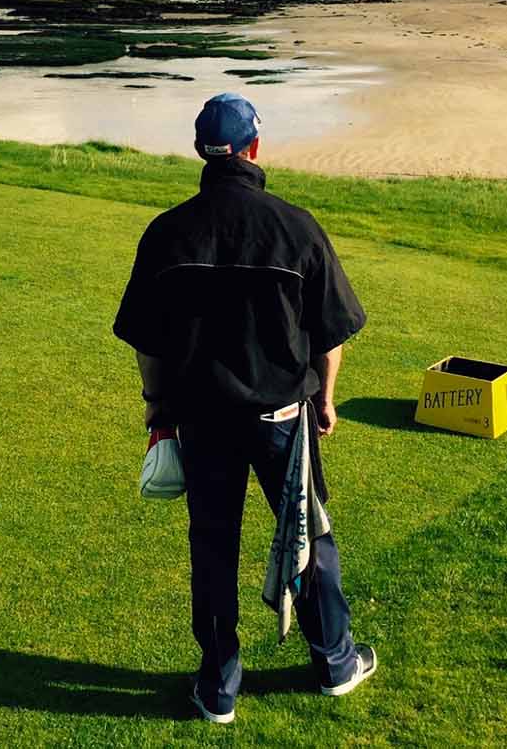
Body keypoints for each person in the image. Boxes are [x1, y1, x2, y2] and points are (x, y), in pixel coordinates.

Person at [112, 93, 375, 724]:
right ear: (255, 147)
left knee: (212, 546)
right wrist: (327, 401)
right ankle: (335, 661)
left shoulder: (169, 230)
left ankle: (220, 684)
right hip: (284, 417)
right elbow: (330, 336)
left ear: (201, 151)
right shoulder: (295, 224)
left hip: (202, 421)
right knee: (309, 534)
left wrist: (157, 410)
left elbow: (148, 342)